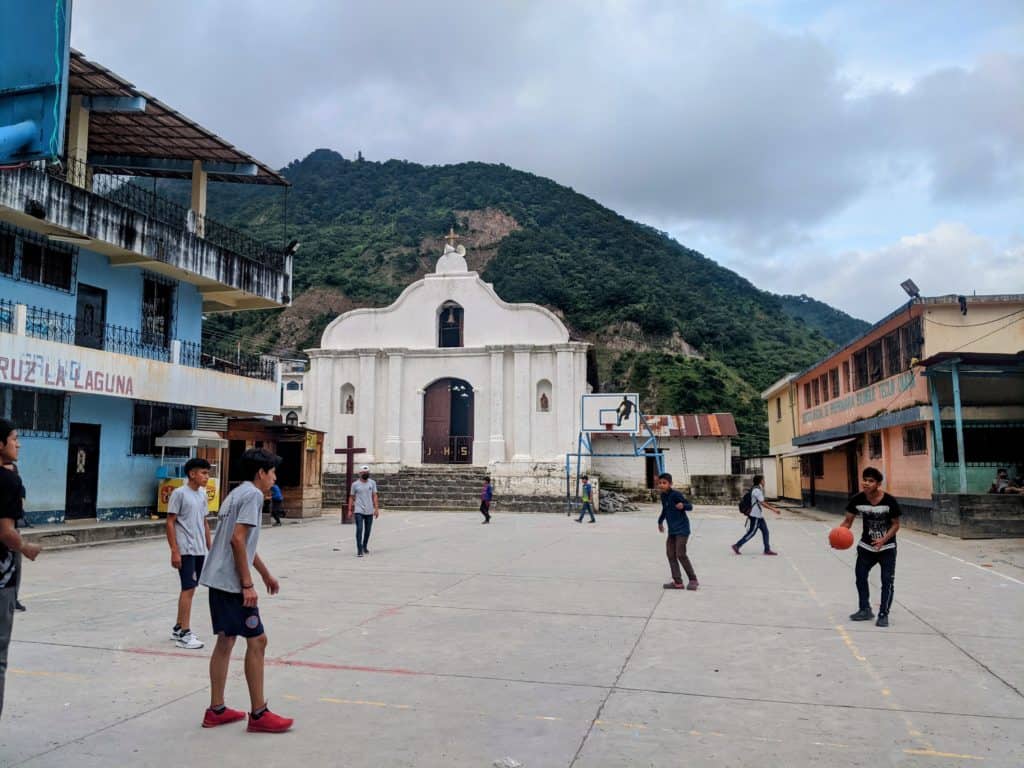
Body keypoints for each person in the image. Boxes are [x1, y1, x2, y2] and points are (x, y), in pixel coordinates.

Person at [198, 448, 292, 733]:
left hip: (218, 578)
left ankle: (216, 709)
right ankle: (259, 713)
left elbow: (242, 542)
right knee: (258, 641)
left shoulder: (236, 493)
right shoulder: (252, 495)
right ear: (260, 473)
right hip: (232, 583)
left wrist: (265, 574)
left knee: (226, 641)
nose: (274, 479)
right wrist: (247, 584)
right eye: (272, 473)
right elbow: (238, 541)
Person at [0, 419, 42, 719]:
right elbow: (5, 532)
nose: (18, 444)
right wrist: (26, 548)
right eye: (14, 439)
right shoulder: (7, 481)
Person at [842, 467, 901, 628]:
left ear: (878, 484)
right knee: (860, 577)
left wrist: (883, 539)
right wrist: (838, 536)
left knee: (887, 581)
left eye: (871, 481)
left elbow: (896, 525)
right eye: (865, 480)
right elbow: (847, 522)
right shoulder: (857, 499)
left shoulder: (889, 501)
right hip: (866, 547)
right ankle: (864, 609)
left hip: (887, 547)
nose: (866, 483)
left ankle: (883, 614)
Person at [166, 458, 213, 650]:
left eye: (208, 473)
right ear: (192, 474)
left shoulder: (202, 495)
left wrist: (211, 546)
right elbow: (170, 522)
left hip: (199, 548)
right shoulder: (179, 494)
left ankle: (178, 627)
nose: (206, 477)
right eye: (203, 473)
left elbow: (204, 522)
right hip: (186, 549)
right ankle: (185, 634)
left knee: (191, 588)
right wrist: (174, 551)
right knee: (188, 588)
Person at [657, 472, 698, 590]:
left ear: (670, 484)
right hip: (672, 531)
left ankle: (693, 579)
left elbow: (690, 506)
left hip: (682, 529)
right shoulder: (663, 496)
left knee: (680, 554)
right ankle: (678, 582)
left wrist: (683, 506)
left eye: (664, 483)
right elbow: (665, 510)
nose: (661, 485)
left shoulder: (676, 495)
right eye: (660, 483)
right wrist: (660, 522)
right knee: (670, 554)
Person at [731, 474, 780, 555]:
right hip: (755, 515)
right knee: (751, 533)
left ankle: (767, 549)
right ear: (760, 481)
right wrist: (774, 509)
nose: (764, 482)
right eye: (763, 480)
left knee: (765, 532)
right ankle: (737, 545)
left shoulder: (756, 489)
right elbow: (762, 503)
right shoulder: (757, 490)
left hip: (758, 516)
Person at [349, 465, 379, 557]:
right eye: (364, 473)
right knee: (359, 529)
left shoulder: (372, 483)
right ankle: (359, 549)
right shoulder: (355, 484)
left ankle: (364, 546)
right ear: (360, 473)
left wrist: (376, 508)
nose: (366, 474)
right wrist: (350, 510)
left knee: (367, 530)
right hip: (359, 510)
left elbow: (374, 495)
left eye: (367, 473)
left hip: (369, 510)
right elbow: (351, 497)